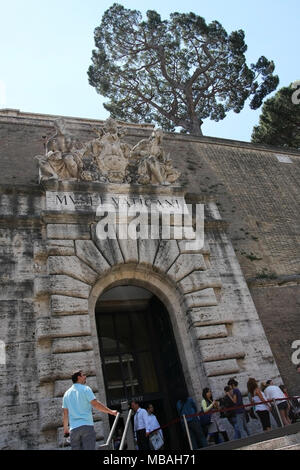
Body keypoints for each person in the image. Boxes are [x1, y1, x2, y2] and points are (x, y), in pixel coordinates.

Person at [62, 369, 117, 450]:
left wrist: (66, 430)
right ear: (78, 377)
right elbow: (96, 404)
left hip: (73, 430)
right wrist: (110, 412)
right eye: (83, 375)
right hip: (86, 427)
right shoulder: (86, 389)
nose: (85, 377)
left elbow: (65, 414)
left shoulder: (66, 394)